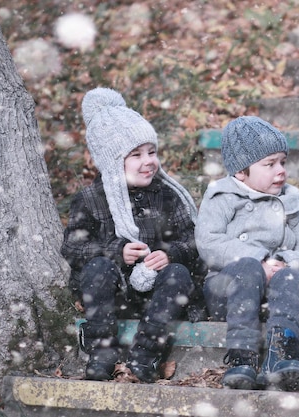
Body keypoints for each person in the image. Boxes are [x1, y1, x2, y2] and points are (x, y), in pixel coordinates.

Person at [61, 87, 204, 383]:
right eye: (135, 155)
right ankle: (102, 352)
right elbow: (74, 247)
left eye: (151, 152)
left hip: (156, 292)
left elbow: (193, 239)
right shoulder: (90, 198)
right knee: (97, 268)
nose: (148, 161)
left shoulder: (166, 195)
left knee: (178, 273)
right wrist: (116, 252)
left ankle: (145, 354)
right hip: (114, 294)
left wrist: (170, 254)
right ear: (113, 162)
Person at [195, 116, 299, 392]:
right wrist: (259, 259)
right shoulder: (221, 195)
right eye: (269, 164)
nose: (281, 171)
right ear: (241, 172)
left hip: (275, 293)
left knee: (289, 278)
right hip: (227, 291)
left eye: (283, 162)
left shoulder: (290, 200)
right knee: (248, 269)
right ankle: (242, 356)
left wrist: (284, 263)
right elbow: (208, 242)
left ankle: (283, 353)